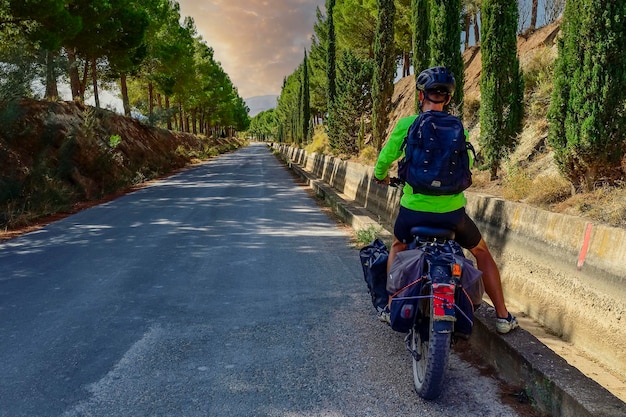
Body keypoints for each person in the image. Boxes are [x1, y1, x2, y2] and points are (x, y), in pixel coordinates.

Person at [373, 66, 518, 334]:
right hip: (452, 215)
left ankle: (391, 305)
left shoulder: (407, 125)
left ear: (420, 96)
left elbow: (384, 160)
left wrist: (380, 176)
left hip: (413, 212)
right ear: (448, 99)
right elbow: (469, 163)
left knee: (397, 245)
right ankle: (502, 316)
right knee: (481, 252)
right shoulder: (457, 127)